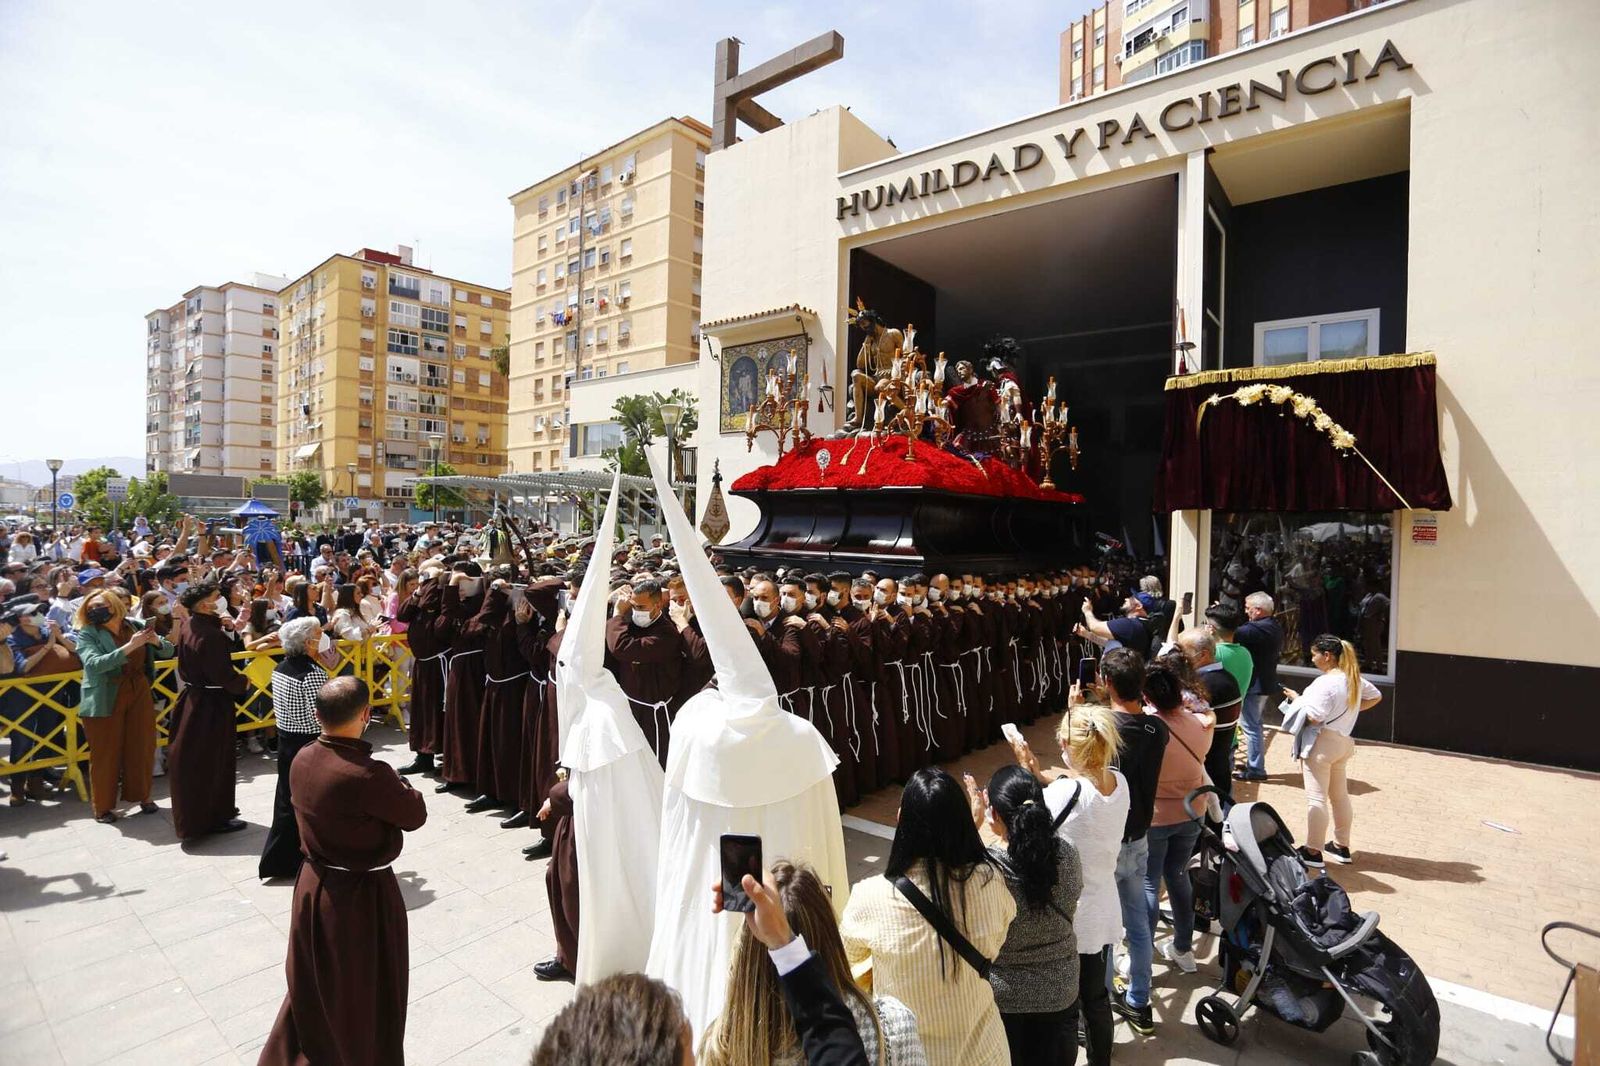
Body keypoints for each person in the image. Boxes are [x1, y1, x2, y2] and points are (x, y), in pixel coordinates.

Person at [643, 448, 849, 1040]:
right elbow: (827, 844)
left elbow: (675, 824)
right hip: (787, 911)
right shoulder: (800, 737)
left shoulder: (695, 725)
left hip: (717, 893)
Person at [257, 677, 427, 1066]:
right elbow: (414, 814)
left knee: (313, 986)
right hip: (358, 896)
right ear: (366, 715)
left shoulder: (302, 757)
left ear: (317, 716)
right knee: (362, 992)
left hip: (312, 886)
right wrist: (400, 783)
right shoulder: (367, 773)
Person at [839, 768, 1015, 1066]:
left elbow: (848, 963)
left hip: (909, 1056)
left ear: (901, 820)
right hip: (984, 1052)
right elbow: (998, 938)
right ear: (963, 823)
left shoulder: (869, 896)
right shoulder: (990, 881)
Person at [702, 860, 926, 1066]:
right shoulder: (893, 1029)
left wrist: (783, 943)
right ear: (829, 934)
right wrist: (785, 944)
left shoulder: (720, 1048)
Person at [1010, 703, 1125, 1064]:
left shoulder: (1066, 794)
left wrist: (1026, 773)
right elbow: (1077, 793)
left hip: (1071, 915)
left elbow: (1029, 821)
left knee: (1067, 1006)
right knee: (1097, 999)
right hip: (1104, 906)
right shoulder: (1119, 783)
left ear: (1070, 745)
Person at [974, 764, 1082, 1065]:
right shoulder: (1068, 853)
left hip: (1005, 996)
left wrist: (973, 824)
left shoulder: (987, 869)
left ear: (995, 814)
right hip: (1061, 988)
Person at [1282, 634, 1382, 867]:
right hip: (1343, 742)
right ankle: (1341, 846)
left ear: (1327, 656)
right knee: (1339, 796)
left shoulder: (1325, 682)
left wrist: (1297, 701)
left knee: (1316, 798)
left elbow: (1314, 717)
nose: (1312, 659)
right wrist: (1352, 709)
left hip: (1321, 744)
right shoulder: (1353, 678)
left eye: (1314, 654)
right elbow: (1376, 696)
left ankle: (1313, 851)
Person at [71, 587, 170, 823]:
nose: (95, 610)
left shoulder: (135, 625)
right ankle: (103, 808)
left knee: (142, 745)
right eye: (90, 607)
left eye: (100, 605)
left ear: (114, 605)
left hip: (139, 690)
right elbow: (95, 664)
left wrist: (156, 641)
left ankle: (143, 796)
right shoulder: (87, 633)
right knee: (105, 753)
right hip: (105, 695)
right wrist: (131, 646)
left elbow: (168, 650)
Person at [1141, 660, 1213, 976]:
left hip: (1157, 816)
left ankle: (1141, 955)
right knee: (1178, 875)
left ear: (1148, 696)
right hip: (1192, 811)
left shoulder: (1148, 728)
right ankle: (1183, 947)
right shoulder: (1200, 723)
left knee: (1149, 882)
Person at [168, 581, 249, 839]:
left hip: (196, 699)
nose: (220, 599)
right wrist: (243, 682)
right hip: (211, 705)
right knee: (214, 760)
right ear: (205, 605)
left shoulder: (194, 625)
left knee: (204, 760)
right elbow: (221, 673)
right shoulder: (209, 634)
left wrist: (227, 630)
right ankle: (215, 817)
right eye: (216, 596)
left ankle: (213, 812)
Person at [258, 618, 330, 880]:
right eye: (319, 633)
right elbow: (321, 715)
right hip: (307, 743)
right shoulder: (312, 673)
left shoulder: (281, 667)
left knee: (287, 799)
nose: (323, 637)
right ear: (308, 642)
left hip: (286, 742)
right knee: (309, 801)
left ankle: (281, 859)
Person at [1179, 628, 1241, 809]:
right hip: (1219, 767)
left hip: (1205, 774)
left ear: (1203, 654)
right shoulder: (1228, 678)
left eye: (1184, 652)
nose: (1181, 658)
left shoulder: (1203, 686)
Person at [1234, 592, 1283, 782]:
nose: (1246, 612)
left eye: (1248, 608)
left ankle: (1256, 769)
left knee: (1251, 727)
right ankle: (1253, 763)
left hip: (1256, 685)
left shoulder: (1257, 629)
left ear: (1258, 610)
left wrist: (1218, 615)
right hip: (1263, 683)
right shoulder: (1272, 625)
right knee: (1255, 724)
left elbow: (1230, 632)